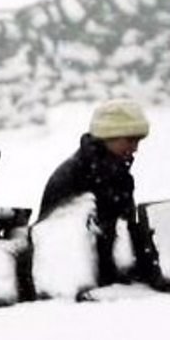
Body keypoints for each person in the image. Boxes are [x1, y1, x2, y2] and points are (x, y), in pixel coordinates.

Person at [37, 99, 151, 283]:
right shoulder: (75, 176)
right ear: (108, 135)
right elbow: (58, 242)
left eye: (138, 141)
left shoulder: (118, 175)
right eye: (130, 140)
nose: (135, 148)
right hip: (76, 281)